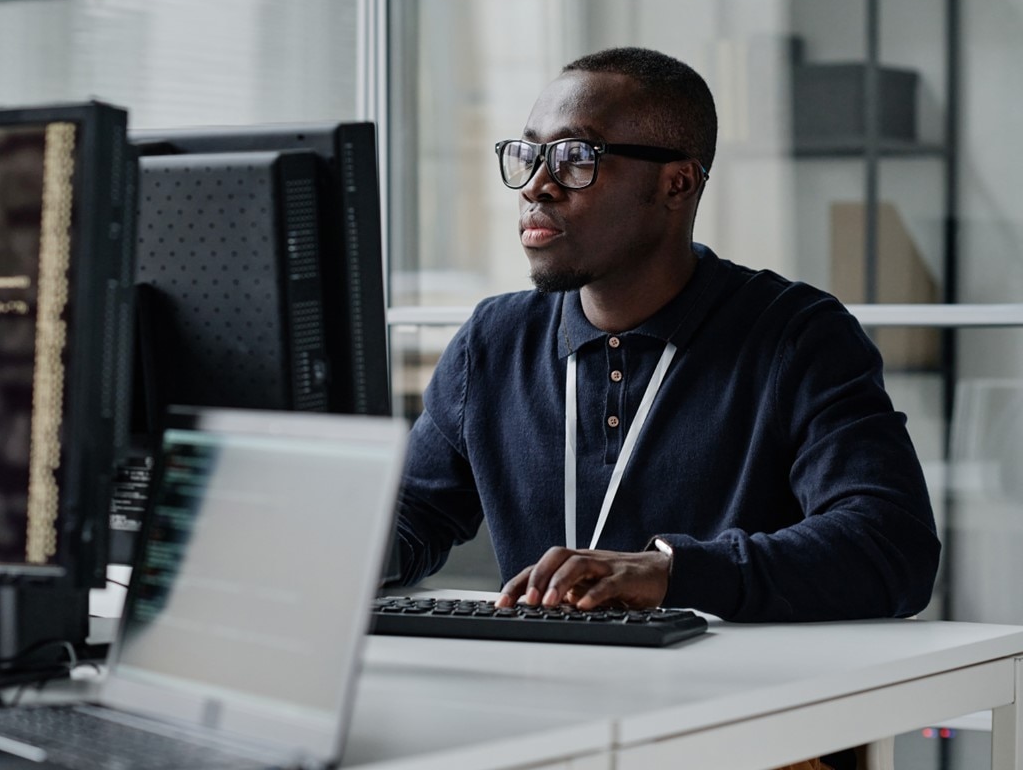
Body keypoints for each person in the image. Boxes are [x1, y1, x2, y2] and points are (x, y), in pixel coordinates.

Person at [392, 47, 941, 625]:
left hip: (732, 702)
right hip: (544, 694)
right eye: (529, 154)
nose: (537, 185)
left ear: (677, 184)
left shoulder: (796, 336)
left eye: (576, 157)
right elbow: (408, 520)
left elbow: (891, 545)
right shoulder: (494, 342)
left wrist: (673, 574)